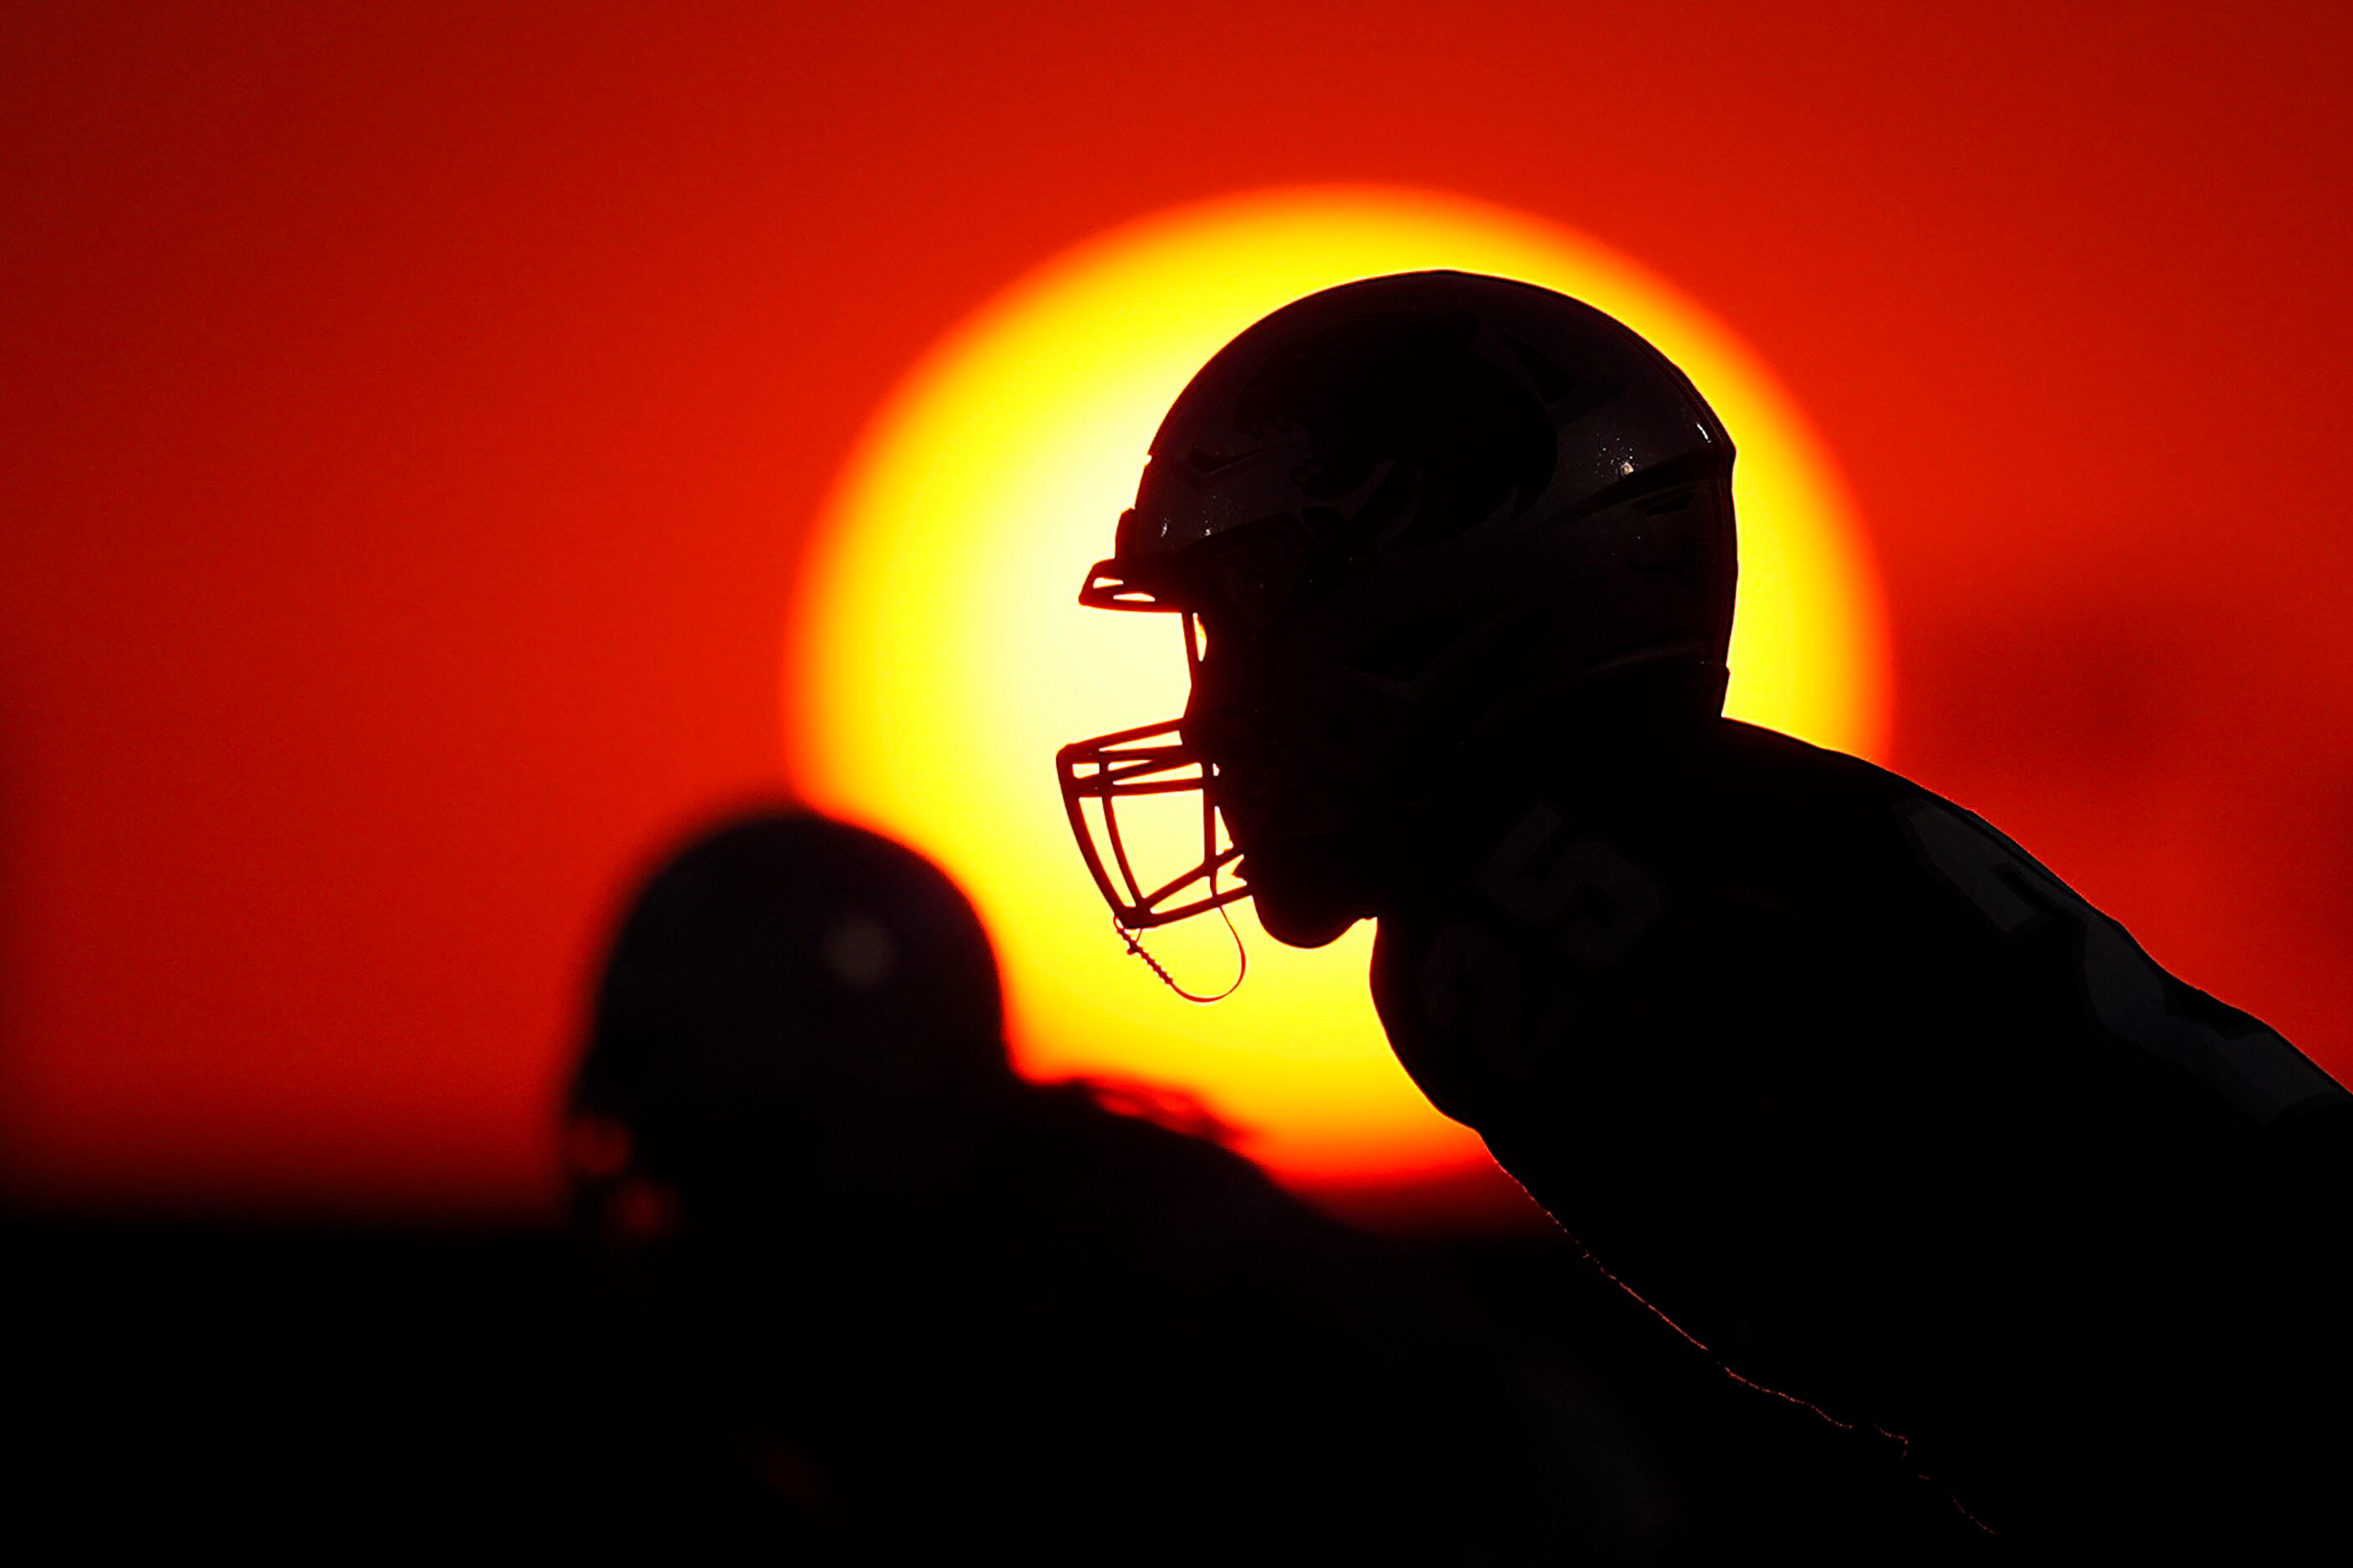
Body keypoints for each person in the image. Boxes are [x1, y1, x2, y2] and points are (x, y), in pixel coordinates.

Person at [1057, 271, 2352, 1555]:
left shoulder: (1537, 896)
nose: (1207, 717)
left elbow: (2084, 1359)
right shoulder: (1676, 826)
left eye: (1256, 612)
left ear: (1453, 567)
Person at [565, 809, 1644, 1556]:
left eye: (723, 1161)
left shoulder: (1111, 1336)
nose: (682, 1213)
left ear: (867, 1128)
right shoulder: (983, 1297)